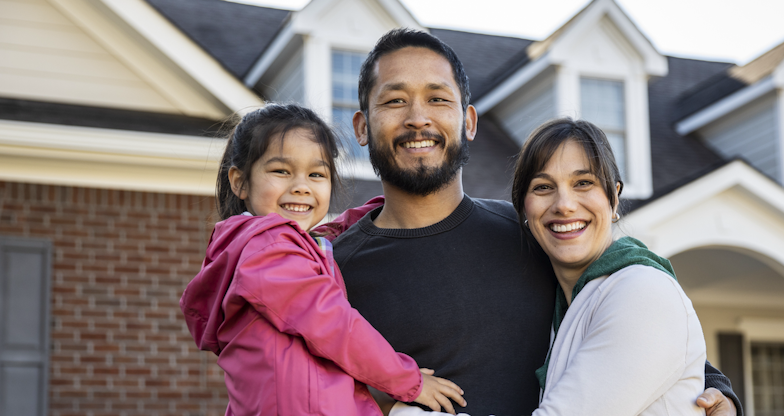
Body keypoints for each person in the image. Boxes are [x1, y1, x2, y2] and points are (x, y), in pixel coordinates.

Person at [319, 28, 744, 416]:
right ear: (361, 127)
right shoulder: (329, 273)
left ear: (468, 122)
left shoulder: (529, 235)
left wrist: (715, 387)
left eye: (437, 98)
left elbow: (633, 331)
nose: (417, 117)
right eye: (395, 100)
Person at [179, 104, 466, 415]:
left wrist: (378, 210)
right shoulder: (267, 250)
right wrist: (408, 380)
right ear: (240, 182)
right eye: (281, 171)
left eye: (316, 174)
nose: (301, 186)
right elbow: (334, 324)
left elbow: (317, 241)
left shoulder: (261, 248)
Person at [513, 118, 706, 415]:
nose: (564, 204)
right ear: (524, 208)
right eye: (543, 187)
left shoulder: (644, 292)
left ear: (614, 198)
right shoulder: (566, 306)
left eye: (583, 183)